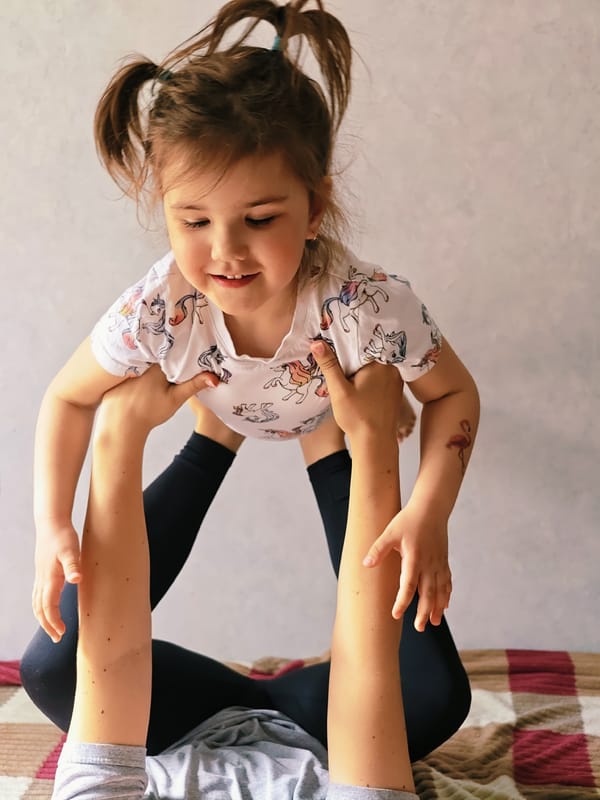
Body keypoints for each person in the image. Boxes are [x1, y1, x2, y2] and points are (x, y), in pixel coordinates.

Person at [22, 0, 479, 761]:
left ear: (313, 208)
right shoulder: (160, 309)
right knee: (49, 666)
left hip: (337, 418)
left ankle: (319, 439)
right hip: (215, 400)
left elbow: (453, 395)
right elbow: (67, 397)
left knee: (435, 703)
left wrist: (428, 512)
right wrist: (50, 525)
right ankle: (217, 431)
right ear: (163, 210)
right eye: (193, 221)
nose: (225, 252)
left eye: (260, 218)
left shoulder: (362, 304)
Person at [51, 344, 418, 799]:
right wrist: (371, 437)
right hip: (329, 731)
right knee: (434, 693)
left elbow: (114, 655)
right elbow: (368, 663)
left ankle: (215, 435)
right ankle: (323, 442)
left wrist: (120, 432)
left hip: (171, 723)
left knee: (53, 665)